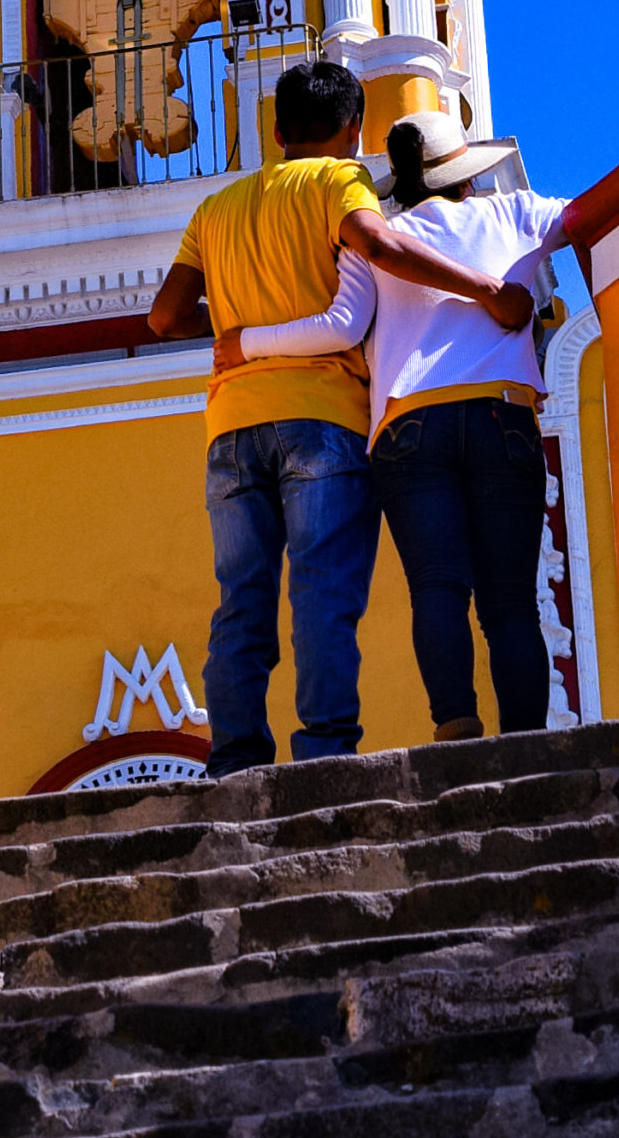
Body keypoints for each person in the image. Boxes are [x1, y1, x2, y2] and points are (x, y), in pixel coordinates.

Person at [149, 62, 507, 777]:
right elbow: (378, 247)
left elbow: (163, 316)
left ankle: (234, 757)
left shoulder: (213, 211)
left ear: (276, 131)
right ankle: (321, 753)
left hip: (231, 427)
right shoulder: (336, 182)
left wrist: (236, 328)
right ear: (351, 133)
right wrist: (483, 289)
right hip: (321, 422)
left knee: (240, 603)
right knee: (322, 591)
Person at [217, 109, 585, 742]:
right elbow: (589, 213)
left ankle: (456, 726)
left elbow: (342, 324)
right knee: (510, 601)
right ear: (466, 178)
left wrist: (244, 341)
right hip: (502, 416)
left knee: (437, 587)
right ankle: (528, 740)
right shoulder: (515, 215)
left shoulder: (374, 242)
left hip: (408, 427)